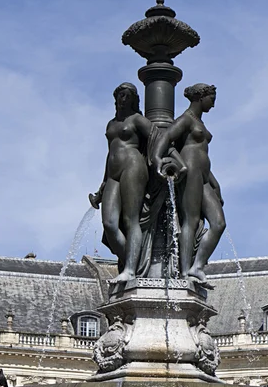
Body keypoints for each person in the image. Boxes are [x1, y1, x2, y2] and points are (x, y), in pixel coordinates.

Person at [152, 83, 225, 285]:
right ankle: (185, 273)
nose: (213, 103)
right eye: (212, 98)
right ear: (200, 97)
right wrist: (157, 158)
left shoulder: (198, 121)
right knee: (190, 221)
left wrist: (214, 183)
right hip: (191, 171)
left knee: (219, 223)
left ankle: (197, 266)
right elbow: (165, 136)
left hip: (203, 175)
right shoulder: (185, 119)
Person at [89, 83, 153, 283]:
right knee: (109, 223)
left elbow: (158, 138)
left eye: (126, 96)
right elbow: (110, 153)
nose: (121, 99)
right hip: (113, 173)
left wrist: (159, 160)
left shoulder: (137, 120)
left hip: (133, 166)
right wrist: (102, 184)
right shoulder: (111, 124)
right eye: (119, 95)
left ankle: (131, 270)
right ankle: (131, 260)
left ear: (133, 99)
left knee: (130, 220)